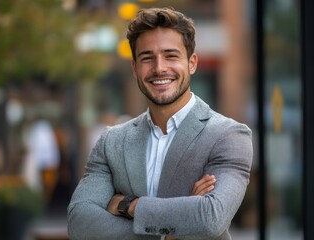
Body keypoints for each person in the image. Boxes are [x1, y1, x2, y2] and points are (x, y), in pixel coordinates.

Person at [67, 7, 253, 240]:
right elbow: (80, 223)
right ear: (135, 69)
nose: (159, 68)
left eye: (171, 56)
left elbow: (210, 218)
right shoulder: (111, 142)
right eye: (147, 58)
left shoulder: (228, 136)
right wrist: (173, 230)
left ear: (192, 63)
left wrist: (128, 205)